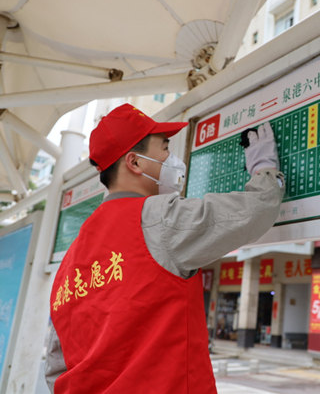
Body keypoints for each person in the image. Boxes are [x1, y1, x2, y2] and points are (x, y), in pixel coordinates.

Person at [45, 104, 284, 393]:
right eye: (165, 148)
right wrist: (264, 169)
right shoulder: (159, 218)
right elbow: (255, 211)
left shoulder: (70, 259)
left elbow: (56, 365)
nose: (171, 158)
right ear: (135, 163)